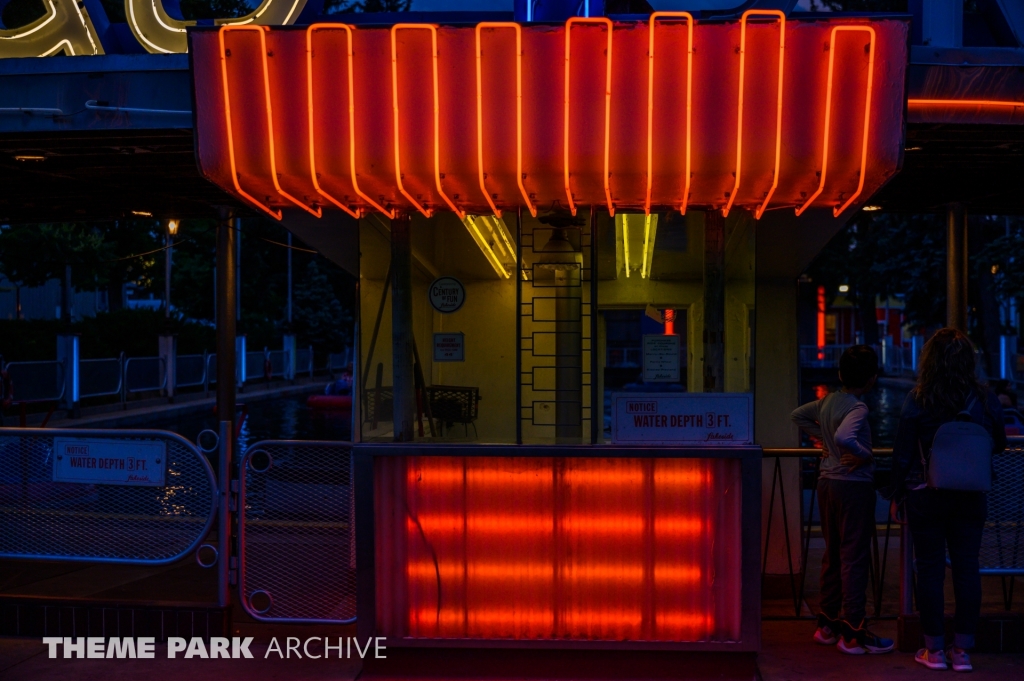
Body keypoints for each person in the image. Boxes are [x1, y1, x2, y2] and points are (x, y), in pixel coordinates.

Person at [890, 328, 1006, 672]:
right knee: (967, 569)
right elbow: (999, 443)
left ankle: (935, 651)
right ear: (969, 361)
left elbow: (903, 452)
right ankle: (963, 653)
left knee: (929, 569)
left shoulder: (919, 398)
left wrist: (896, 493)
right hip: (971, 495)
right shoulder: (985, 399)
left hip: (927, 494)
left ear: (929, 361)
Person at [792, 345, 894, 655]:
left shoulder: (827, 402)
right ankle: (853, 633)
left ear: (839, 374)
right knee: (855, 557)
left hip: (826, 483)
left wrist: (823, 439)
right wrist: (865, 456)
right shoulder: (858, 408)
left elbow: (798, 416)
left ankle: (827, 625)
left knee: (833, 555)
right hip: (853, 487)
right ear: (872, 379)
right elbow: (845, 437)